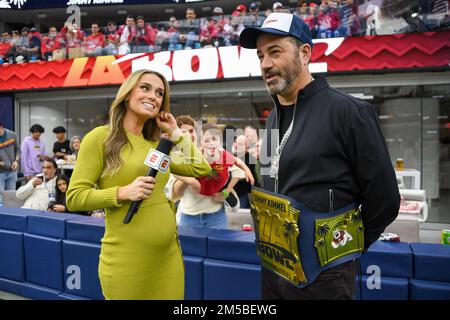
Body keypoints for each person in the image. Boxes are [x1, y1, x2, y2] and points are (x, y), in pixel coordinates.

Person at [239, 12, 400, 299]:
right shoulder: (273, 118)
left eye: (275, 52)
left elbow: (384, 199)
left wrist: (341, 252)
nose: (265, 64)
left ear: (304, 53)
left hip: (325, 278)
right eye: (261, 55)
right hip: (274, 269)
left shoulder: (349, 112)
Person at [66, 69, 211, 300]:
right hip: (127, 261)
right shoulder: (99, 138)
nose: (153, 96)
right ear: (127, 94)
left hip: (168, 258)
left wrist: (175, 132)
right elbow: (74, 197)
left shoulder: (155, 145)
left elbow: (201, 168)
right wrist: (122, 192)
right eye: (145, 88)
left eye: (159, 93)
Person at [0, 121, 21, 206]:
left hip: (12, 172)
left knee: (10, 198)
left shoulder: (12, 134)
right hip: (0, 173)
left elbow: (18, 150)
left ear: (1, 127)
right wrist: (2, 164)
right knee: (0, 199)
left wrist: (16, 161)